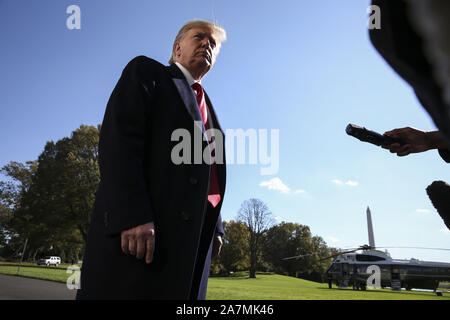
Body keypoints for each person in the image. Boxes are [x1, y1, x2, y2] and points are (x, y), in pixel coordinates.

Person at [76, 20, 227, 300]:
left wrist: (216, 226)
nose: (207, 44)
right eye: (199, 37)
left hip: (193, 245)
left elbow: (210, 176)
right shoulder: (148, 72)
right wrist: (132, 214)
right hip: (141, 236)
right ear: (177, 48)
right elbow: (119, 143)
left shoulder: (211, 112)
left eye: (213, 44)